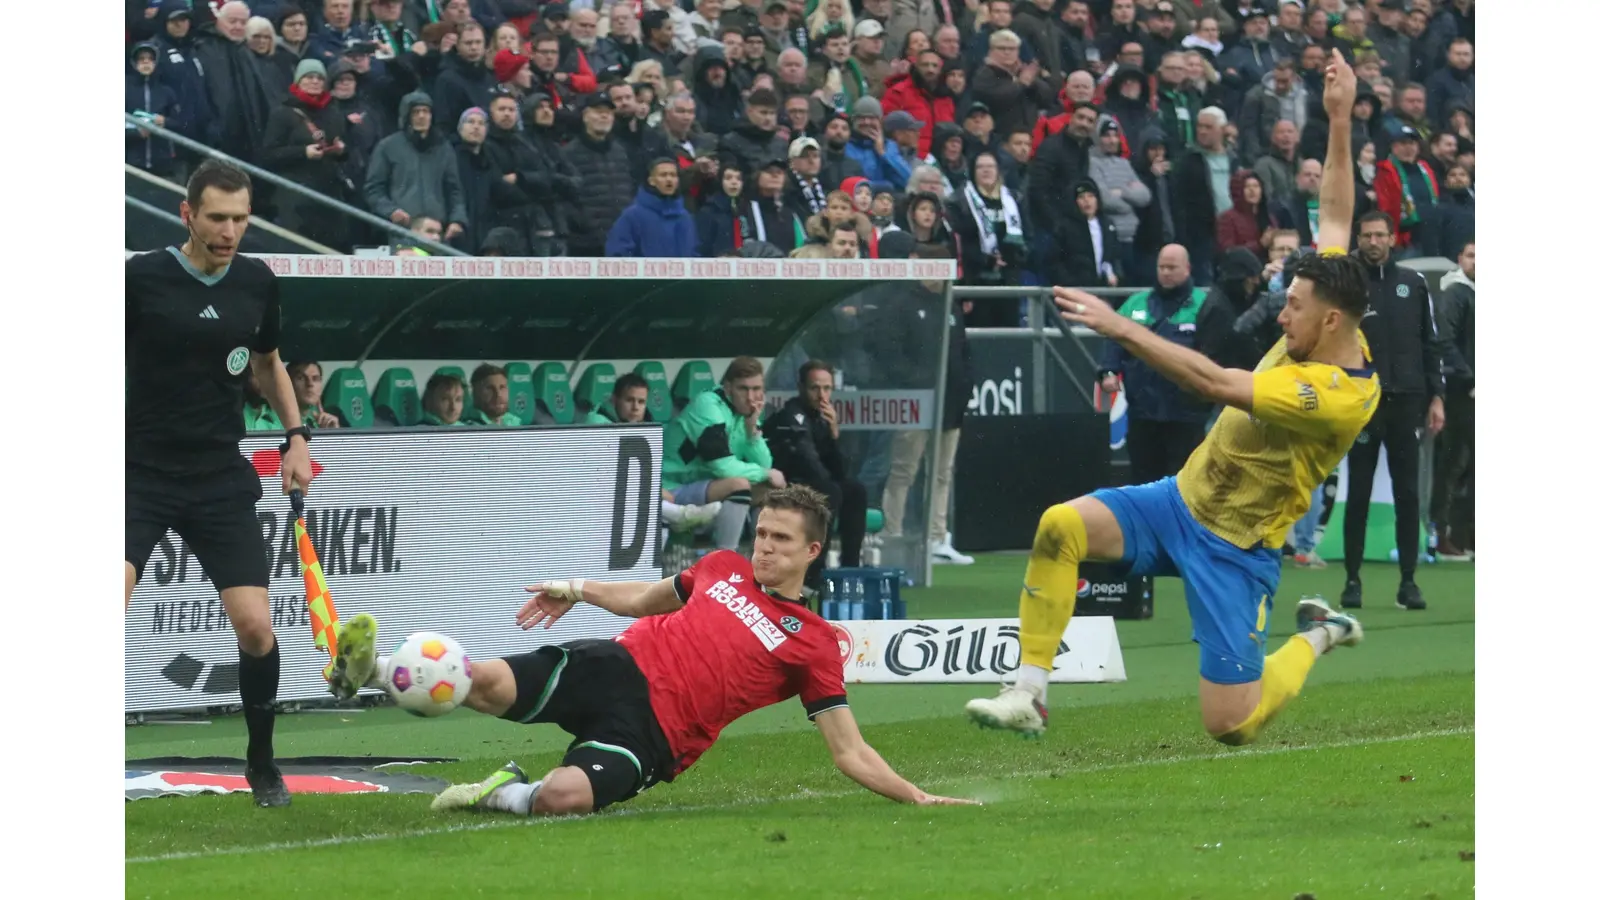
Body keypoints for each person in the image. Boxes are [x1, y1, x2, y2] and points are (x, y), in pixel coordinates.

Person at [966, 51, 1374, 747]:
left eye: (1295, 309)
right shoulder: (1322, 313)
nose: (1281, 317)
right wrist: (1337, 119)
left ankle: (1322, 635)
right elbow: (1335, 215)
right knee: (1059, 526)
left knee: (1231, 726)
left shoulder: (1334, 395)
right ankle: (1028, 693)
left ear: (1332, 320)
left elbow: (1215, 383)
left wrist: (1123, 326)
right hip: (1179, 503)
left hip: (1237, 550)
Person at [326, 486, 975, 817]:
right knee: (481, 680)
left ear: (811, 551)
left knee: (560, 800)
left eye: (781, 539)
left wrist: (914, 797)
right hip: (615, 664)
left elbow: (848, 749)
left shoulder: (811, 643)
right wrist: (575, 590)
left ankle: (502, 792)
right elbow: (643, 599)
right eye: (762, 532)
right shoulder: (722, 567)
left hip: (656, 734)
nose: (764, 546)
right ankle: (370, 670)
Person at [126, 160, 314, 808]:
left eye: (240, 218)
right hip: (134, 473)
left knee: (257, 629)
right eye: (217, 218)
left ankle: (262, 763)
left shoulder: (258, 282)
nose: (230, 230)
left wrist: (295, 439)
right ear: (187, 215)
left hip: (215, 476)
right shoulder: (139, 278)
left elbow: (267, 363)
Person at [1340, 210, 1444, 612]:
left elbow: (1430, 344)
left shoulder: (1413, 283)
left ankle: (1408, 582)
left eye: (1380, 234)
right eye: (1366, 235)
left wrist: (1436, 396)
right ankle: (1352, 580)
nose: (1373, 242)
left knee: (1407, 494)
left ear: (1391, 238)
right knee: (1359, 492)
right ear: (1359, 238)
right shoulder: (1346, 284)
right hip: (1361, 402)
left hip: (1407, 401)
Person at [1097, 244, 1231, 484]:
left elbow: (1216, 352)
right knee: (1143, 479)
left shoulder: (1205, 304)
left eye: (1172, 267)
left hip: (1187, 413)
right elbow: (1114, 337)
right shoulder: (1136, 303)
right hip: (1143, 410)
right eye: (1162, 267)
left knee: (1184, 482)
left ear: (1187, 269)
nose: (1166, 272)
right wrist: (1108, 371)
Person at [662, 356, 787, 551]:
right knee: (739, 484)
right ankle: (726, 560)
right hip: (672, 489)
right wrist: (765, 473)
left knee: (770, 490)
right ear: (728, 388)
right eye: (743, 389)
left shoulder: (744, 413)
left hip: (707, 488)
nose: (751, 397)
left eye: (756, 389)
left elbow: (765, 464)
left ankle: (763, 560)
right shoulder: (708, 406)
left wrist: (752, 430)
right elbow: (721, 466)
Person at [763, 360, 868, 588]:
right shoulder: (793, 416)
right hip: (785, 486)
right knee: (830, 491)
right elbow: (808, 463)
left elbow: (841, 471)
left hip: (813, 483)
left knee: (856, 490)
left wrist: (834, 433)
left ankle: (850, 568)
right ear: (801, 387)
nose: (822, 395)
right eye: (815, 388)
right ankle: (813, 572)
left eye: (827, 388)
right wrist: (833, 483)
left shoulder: (823, 418)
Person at [1430, 240, 1474, 560]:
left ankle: (1464, 536)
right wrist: (1470, 378)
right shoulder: (1456, 293)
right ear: (1460, 259)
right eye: (1472, 255)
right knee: (1454, 462)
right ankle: (1444, 535)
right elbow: (1444, 341)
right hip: (1461, 393)